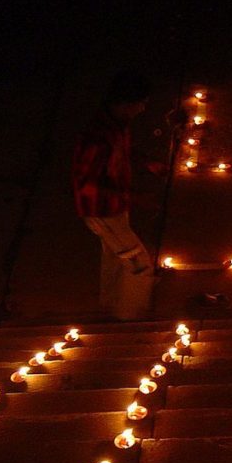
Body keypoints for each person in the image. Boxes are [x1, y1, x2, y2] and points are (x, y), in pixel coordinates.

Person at [73, 71, 154, 321]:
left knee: (113, 259)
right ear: (123, 103)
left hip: (115, 207)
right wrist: (135, 197)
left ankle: (109, 307)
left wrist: (147, 163)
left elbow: (122, 153)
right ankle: (130, 316)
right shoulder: (96, 139)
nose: (142, 109)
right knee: (138, 263)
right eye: (140, 103)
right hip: (102, 211)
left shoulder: (117, 126)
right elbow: (88, 185)